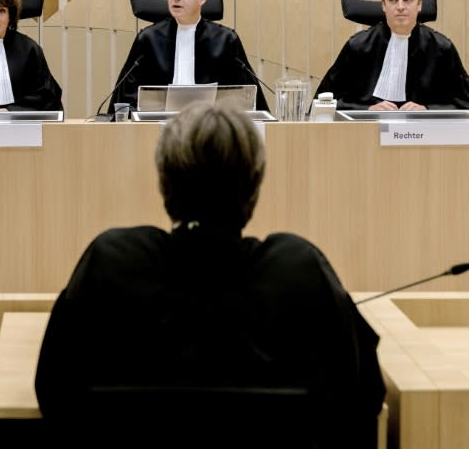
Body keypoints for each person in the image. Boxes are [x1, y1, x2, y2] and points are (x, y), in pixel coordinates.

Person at [35, 100, 385, 448]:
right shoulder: (300, 270)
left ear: (164, 182)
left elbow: (54, 393)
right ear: (254, 185)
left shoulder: (110, 264)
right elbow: (362, 400)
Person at [107, 0, 270, 115]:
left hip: (210, 126)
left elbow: (244, 95)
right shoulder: (149, 39)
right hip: (157, 124)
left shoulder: (225, 40)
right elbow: (127, 94)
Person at [315, 0, 469, 110]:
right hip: (366, 134)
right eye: (393, 0)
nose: (400, 6)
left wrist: (427, 109)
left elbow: (465, 102)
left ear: (419, 4)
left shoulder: (441, 47)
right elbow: (322, 103)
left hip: (425, 135)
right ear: (383, 5)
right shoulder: (358, 46)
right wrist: (367, 110)